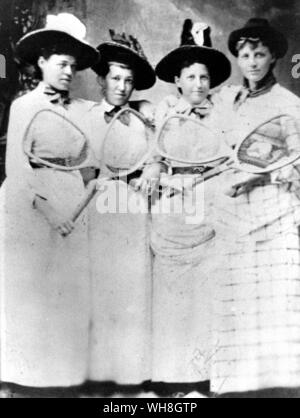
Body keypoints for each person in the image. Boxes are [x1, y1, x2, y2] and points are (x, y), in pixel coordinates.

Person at [0, 14, 98, 397]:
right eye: (61, 63)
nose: (68, 72)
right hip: (31, 206)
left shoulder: (81, 111)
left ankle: (63, 378)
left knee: (68, 290)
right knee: (32, 289)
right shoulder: (24, 106)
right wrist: (47, 208)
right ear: (41, 62)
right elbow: (16, 168)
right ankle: (26, 380)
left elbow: (92, 159)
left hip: (74, 203)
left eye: (73, 66)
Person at [209, 18, 300, 398]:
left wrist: (259, 178)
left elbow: (296, 165)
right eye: (245, 55)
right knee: (237, 299)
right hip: (234, 212)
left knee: (276, 298)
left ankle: (279, 387)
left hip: (274, 210)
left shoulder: (289, 104)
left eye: (259, 54)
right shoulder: (228, 100)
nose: (251, 62)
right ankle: (236, 386)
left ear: (274, 56)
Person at [150, 19, 231, 396]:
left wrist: (210, 182)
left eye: (204, 77)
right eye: (190, 77)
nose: (198, 84)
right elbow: (152, 163)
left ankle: (205, 378)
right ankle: (172, 379)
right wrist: (168, 180)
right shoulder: (163, 115)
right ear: (177, 81)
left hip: (210, 210)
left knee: (207, 296)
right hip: (172, 211)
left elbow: (231, 163)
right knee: (172, 296)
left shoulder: (224, 116)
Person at [84, 30, 159, 389]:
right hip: (101, 202)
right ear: (101, 80)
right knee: (103, 283)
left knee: (134, 282)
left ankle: (133, 373)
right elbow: (83, 166)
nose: (122, 86)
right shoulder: (87, 116)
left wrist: (151, 170)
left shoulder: (144, 118)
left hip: (133, 202)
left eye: (128, 80)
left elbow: (158, 154)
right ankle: (101, 372)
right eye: (115, 78)